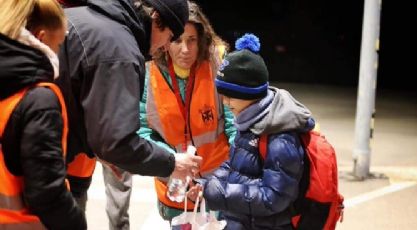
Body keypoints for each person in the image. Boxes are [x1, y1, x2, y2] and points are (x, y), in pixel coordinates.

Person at [55, 0, 203, 215]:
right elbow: (115, 142)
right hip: (41, 170)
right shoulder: (118, 49)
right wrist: (172, 162)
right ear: (156, 18)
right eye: (171, 36)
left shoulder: (83, 17)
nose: (164, 47)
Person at [191, 33, 316, 230]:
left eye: (231, 96)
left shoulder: (280, 135)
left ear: (250, 94)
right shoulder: (249, 119)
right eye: (223, 95)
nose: (225, 102)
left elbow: (273, 197)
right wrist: (208, 183)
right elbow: (235, 166)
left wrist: (217, 192)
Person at [136, 1, 237, 223]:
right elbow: (143, 131)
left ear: (202, 40)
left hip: (218, 183)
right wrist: (173, 162)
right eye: (178, 40)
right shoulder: (148, 72)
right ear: (166, 40)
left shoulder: (216, 66)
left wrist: (228, 174)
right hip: (175, 184)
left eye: (191, 40)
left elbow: (234, 123)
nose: (185, 49)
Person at [0, 0, 86, 229]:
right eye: (58, 46)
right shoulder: (39, 99)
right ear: (40, 38)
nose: (58, 54)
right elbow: (46, 194)